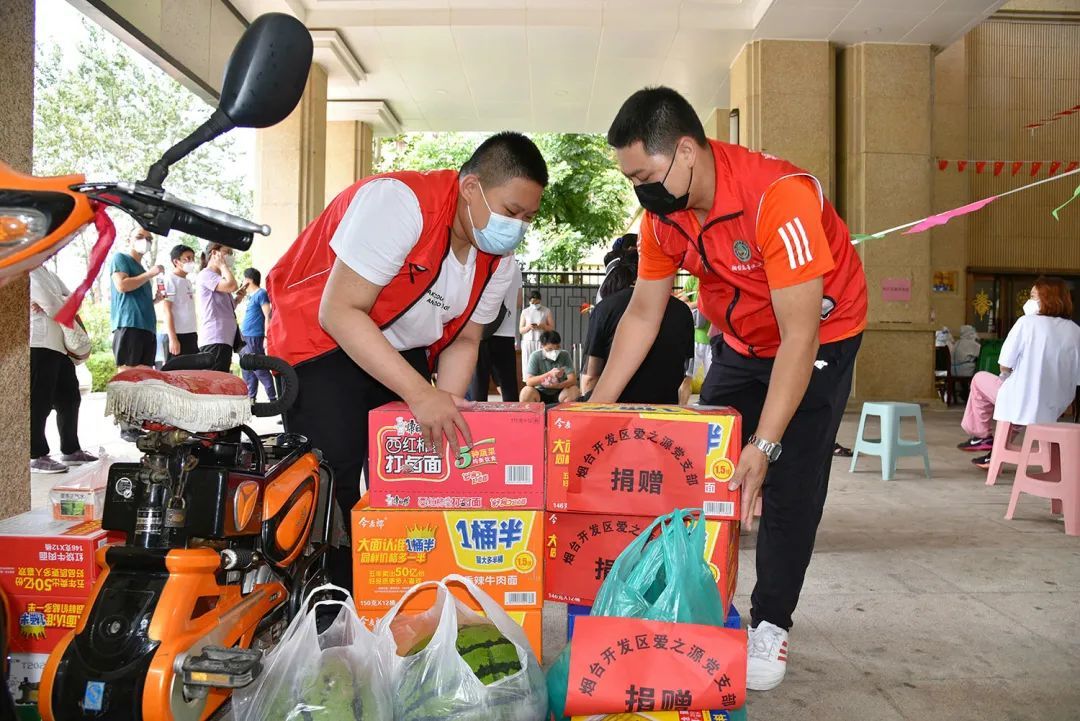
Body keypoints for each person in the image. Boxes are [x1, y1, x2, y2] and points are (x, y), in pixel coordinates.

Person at [592, 86, 867, 691]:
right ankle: (697, 603)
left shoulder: (780, 198)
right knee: (701, 463)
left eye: (643, 173)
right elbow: (642, 313)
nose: (640, 188)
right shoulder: (663, 216)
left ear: (686, 151)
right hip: (740, 344)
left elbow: (801, 336)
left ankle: (772, 622)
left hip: (818, 337)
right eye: (631, 178)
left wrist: (765, 446)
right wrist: (594, 406)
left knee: (787, 480)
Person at [266, 132, 547, 587]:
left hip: (400, 352)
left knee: (414, 475)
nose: (516, 227)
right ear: (471, 188)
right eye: (512, 212)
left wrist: (444, 407)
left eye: (527, 218)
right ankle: (322, 604)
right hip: (324, 341)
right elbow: (339, 310)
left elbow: (465, 341)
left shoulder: (500, 262)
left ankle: (396, 587)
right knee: (328, 474)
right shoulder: (401, 204)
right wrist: (419, 392)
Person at [958, 277, 1080, 468]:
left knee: (981, 380)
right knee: (1021, 407)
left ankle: (981, 436)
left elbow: (1004, 365)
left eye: (1032, 296)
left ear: (1047, 299)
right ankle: (994, 453)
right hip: (1055, 404)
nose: (1028, 301)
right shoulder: (1075, 331)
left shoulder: (1026, 323)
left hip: (1022, 397)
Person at [581, 258, 693, 404]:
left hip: (614, 412)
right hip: (664, 411)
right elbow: (687, 373)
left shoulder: (605, 309)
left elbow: (590, 376)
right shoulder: (683, 311)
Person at [29, 267, 97, 473]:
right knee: (39, 401)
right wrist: (58, 301)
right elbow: (52, 304)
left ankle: (71, 449)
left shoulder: (45, 271)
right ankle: (36, 454)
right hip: (39, 342)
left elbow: (73, 299)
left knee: (70, 398)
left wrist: (58, 301)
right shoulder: (27, 269)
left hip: (60, 343)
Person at [467, 261, 523, 402]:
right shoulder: (514, 267)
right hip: (506, 333)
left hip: (481, 330)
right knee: (508, 382)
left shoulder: (484, 261)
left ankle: (477, 421)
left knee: (479, 381)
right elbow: (519, 301)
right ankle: (512, 419)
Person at [110, 228, 163, 371]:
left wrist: (155, 300)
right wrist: (150, 274)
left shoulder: (143, 270)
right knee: (128, 374)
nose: (145, 241)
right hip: (130, 324)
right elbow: (122, 285)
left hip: (148, 327)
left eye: (149, 239)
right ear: (129, 240)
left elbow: (136, 299)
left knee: (145, 376)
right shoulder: (120, 258)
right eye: (140, 237)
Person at [196, 243, 242, 372]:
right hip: (215, 337)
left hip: (224, 338)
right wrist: (223, 265)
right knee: (215, 382)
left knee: (220, 379)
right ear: (214, 253)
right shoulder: (206, 275)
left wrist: (237, 299)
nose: (230, 256)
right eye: (227, 252)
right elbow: (232, 285)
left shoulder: (217, 279)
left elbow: (226, 307)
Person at [239, 268, 277, 402]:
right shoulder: (250, 296)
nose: (243, 282)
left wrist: (267, 337)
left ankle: (273, 399)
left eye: (244, 279)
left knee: (259, 367)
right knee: (248, 369)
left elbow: (268, 316)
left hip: (255, 337)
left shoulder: (261, 294)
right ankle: (251, 399)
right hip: (245, 337)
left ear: (249, 280)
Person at [160, 244, 200, 363]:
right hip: (176, 335)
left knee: (191, 375)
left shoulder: (187, 282)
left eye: (192, 258)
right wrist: (173, 338)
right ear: (176, 261)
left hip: (190, 334)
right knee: (174, 376)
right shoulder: (168, 279)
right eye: (187, 258)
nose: (191, 261)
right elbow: (166, 310)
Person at [520, 330, 581, 403]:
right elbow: (529, 382)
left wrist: (558, 385)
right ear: (542, 346)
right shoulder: (535, 356)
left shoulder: (564, 355)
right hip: (540, 391)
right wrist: (549, 374)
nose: (554, 352)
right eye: (550, 349)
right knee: (526, 392)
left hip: (560, 391)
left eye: (557, 348)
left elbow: (573, 380)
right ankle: (535, 413)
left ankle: (563, 413)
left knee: (574, 391)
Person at [519, 290, 554, 375]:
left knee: (542, 363)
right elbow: (521, 330)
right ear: (529, 301)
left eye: (537, 302)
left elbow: (552, 328)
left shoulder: (546, 311)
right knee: (528, 363)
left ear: (540, 300)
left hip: (542, 341)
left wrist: (542, 326)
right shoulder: (525, 312)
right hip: (528, 341)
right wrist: (529, 327)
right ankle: (528, 382)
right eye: (533, 302)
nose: (535, 304)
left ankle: (542, 383)